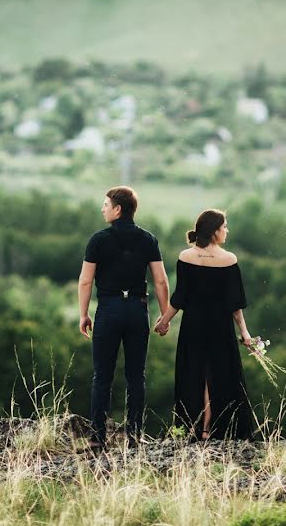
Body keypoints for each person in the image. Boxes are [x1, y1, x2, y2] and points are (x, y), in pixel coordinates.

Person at [78, 186, 170, 450]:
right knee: (135, 376)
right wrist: (164, 316)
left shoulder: (98, 239)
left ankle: (97, 438)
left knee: (102, 376)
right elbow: (161, 281)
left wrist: (84, 314)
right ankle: (135, 436)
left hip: (109, 309)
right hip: (137, 310)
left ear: (118, 209)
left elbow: (86, 281)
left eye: (106, 204)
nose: (102, 208)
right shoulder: (148, 239)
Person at [154, 209, 256, 441]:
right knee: (219, 374)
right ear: (214, 231)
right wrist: (245, 333)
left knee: (194, 373)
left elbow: (180, 297)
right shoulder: (229, 260)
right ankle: (213, 428)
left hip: (194, 324)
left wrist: (164, 321)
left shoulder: (186, 257)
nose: (226, 230)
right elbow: (234, 305)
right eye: (224, 227)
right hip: (220, 326)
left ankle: (195, 428)